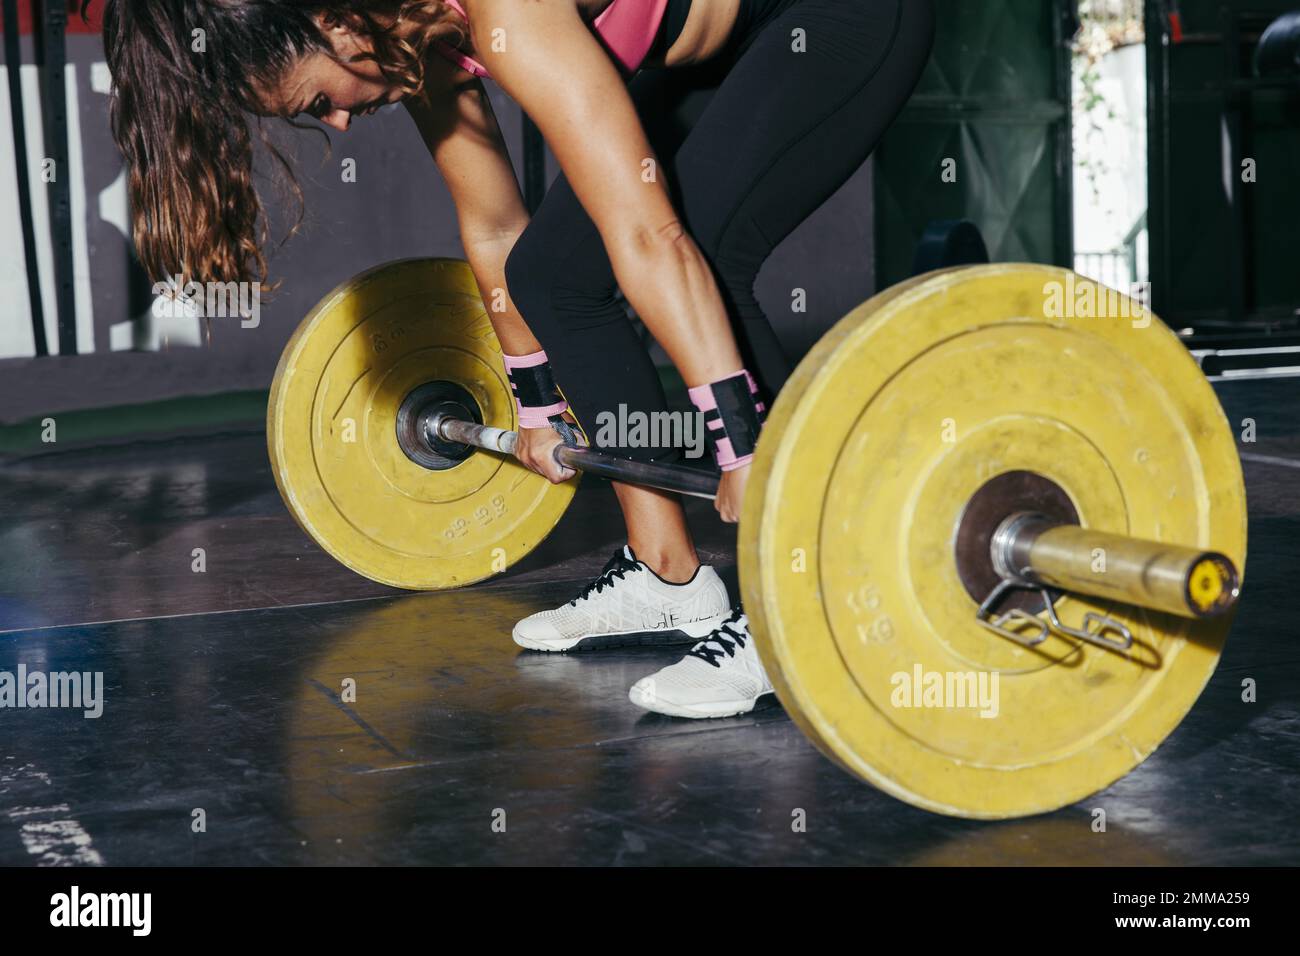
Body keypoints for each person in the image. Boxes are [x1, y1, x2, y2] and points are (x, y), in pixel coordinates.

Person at [97, 0, 935, 719]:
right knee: (553, 276)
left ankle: (806, 596)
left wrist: (743, 446)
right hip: (722, 53)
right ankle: (669, 574)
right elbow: (496, 225)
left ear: (334, 21)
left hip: (834, 20)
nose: (343, 121)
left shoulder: (505, 13)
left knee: (705, 252)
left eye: (320, 100)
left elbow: (651, 237)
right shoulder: (410, 35)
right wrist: (536, 406)